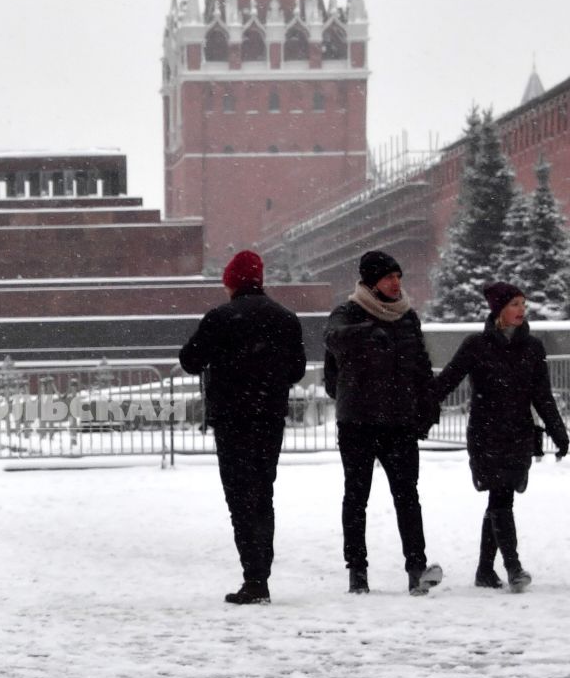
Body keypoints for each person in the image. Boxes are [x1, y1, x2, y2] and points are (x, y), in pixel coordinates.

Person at [179, 249, 307, 604]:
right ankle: (261, 572)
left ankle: (254, 578)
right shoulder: (285, 318)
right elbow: (296, 369)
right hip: (269, 416)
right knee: (263, 492)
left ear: (231, 282)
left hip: (232, 417)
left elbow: (190, 359)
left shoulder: (221, 317)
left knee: (239, 496)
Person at [434, 282, 568, 591]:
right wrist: (418, 409)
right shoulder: (476, 345)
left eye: (523, 304)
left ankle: (484, 570)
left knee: (501, 498)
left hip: (519, 433)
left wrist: (559, 432)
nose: (521, 310)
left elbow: (542, 395)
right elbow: (447, 382)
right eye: (514, 304)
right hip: (486, 433)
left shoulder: (533, 347)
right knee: (500, 496)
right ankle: (513, 567)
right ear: (498, 310)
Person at [324, 250, 442, 595]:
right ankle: (357, 571)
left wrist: (427, 405)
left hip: (400, 422)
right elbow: (332, 341)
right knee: (357, 496)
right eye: (389, 277)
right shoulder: (346, 313)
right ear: (371, 282)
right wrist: (365, 334)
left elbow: (421, 364)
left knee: (407, 495)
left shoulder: (407, 317)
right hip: (358, 423)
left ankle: (416, 567)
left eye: (398, 277)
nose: (396, 283)